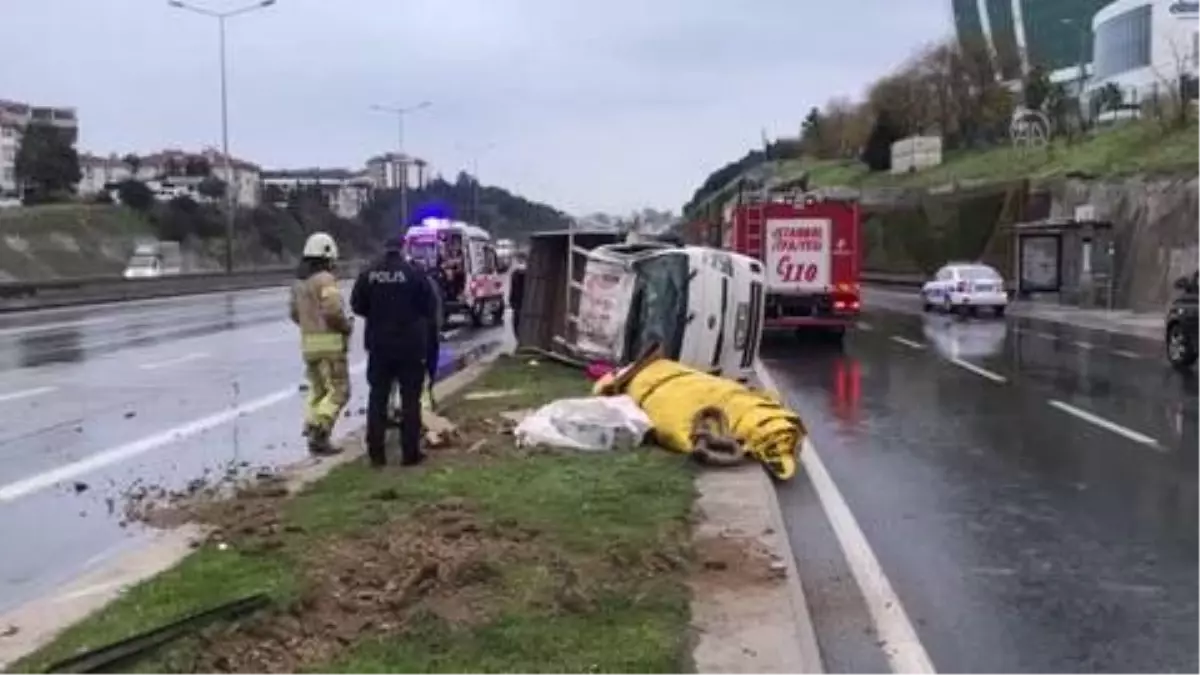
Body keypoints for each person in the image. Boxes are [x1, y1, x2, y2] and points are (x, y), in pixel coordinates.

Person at [351, 235, 437, 467]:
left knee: (377, 397)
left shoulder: (369, 273)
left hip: (379, 345)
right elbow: (429, 307)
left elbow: (357, 305)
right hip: (410, 345)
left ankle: (376, 454)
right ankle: (410, 453)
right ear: (403, 248)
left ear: (384, 248)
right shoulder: (414, 273)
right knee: (410, 400)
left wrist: (378, 314)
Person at [290, 232, 353, 456]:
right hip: (330, 344)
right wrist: (346, 326)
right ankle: (321, 430)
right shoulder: (325, 280)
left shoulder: (299, 283)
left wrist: (309, 325)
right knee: (339, 391)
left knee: (318, 391)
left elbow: (294, 313)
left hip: (308, 345)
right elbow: (333, 310)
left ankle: (311, 425)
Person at [509, 256, 526, 344]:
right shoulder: (528, 273)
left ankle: (520, 340)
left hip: (518, 304)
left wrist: (512, 301)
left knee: (517, 323)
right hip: (523, 303)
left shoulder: (515, 274)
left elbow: (513, 290)